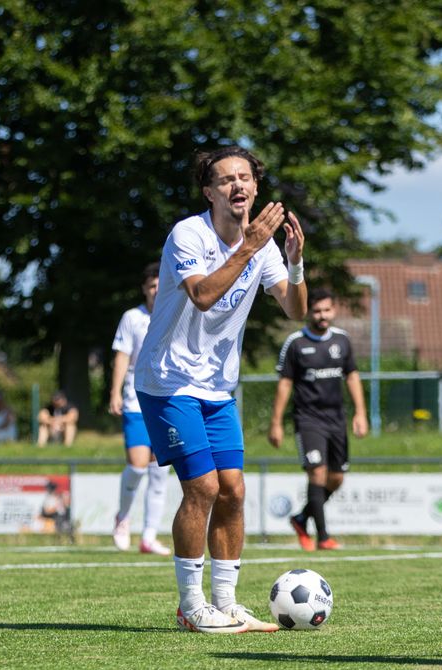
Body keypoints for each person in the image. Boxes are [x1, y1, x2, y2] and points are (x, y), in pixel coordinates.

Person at [133, 146, 307, 634]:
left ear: (255, 187)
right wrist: (250, 246)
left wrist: (293, 264)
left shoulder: (265, 246)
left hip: (217, 387)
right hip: (168, 381)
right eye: (226, 179)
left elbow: (295, 311)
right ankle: (191, 606)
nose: (238, 186)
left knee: (232, 491)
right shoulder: (189, 234)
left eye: (245, 178)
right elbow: (205, 296)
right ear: (209, 192)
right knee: (203, 487)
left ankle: (226, 602)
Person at [268, 288, 368, 551]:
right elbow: (284, 385)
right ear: (308, 312)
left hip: (337, 420)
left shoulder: (342, 340)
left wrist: (360, 413)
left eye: (326, 310)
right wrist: (276, 423)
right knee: (318, 472)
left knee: (336, 478)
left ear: (333, 310)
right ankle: (323, 537)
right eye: (317, 311)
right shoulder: (295, 343)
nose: (322, 316)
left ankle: (301, 518)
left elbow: (353, 377)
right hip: (308, 420)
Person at [109, 262, 171, 556]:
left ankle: (149, 535)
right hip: (136, 399)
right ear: (145, 290)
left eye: (161, 284)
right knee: (137, 466)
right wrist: (115, 391)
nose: (157, 291)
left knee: (160, 469)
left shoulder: (176, 313)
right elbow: (122, 356)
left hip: (169, 401)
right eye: (152, 286)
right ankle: (122, 518)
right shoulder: (132, 318)